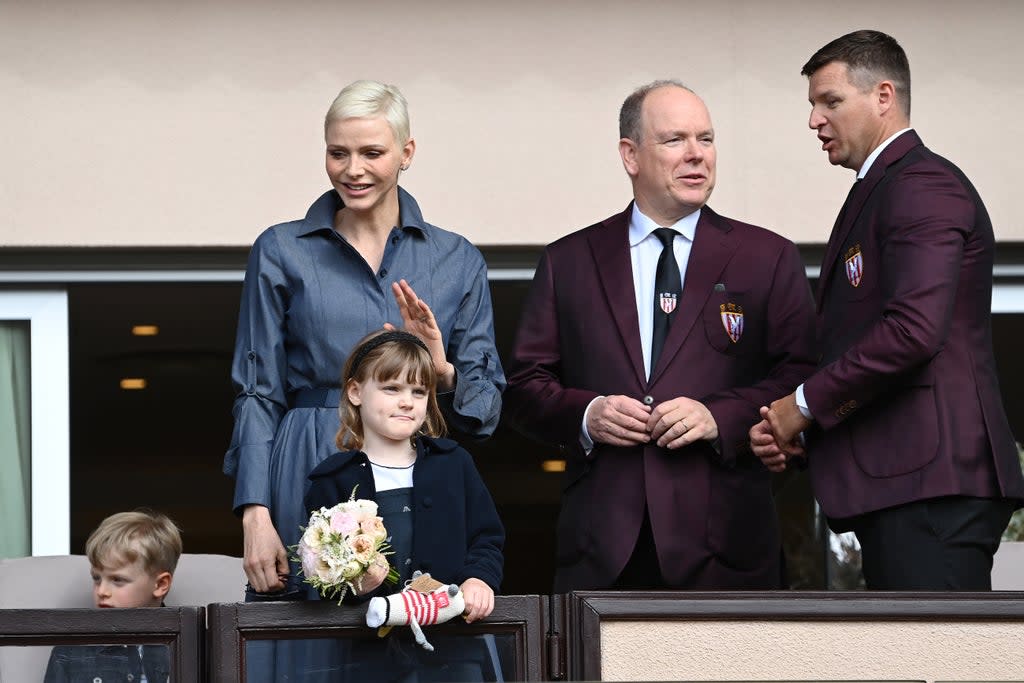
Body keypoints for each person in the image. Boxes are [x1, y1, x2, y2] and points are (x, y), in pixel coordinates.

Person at [504, 80, 817, 592]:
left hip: (726, 548)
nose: (697, 155)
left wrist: (720, 416)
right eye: (675, 140)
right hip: (603, 550)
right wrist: (588, 414)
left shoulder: (769, 257)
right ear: (630, 155)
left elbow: (802, 376)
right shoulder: (569, 261)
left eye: (707, 139)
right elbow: (523, 386)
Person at [750, 30, 1024, 590]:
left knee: (937, 672)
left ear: (882, 96)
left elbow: (913, 333)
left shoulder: (921, 183)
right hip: (912, 488)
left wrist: (802, 406)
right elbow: (864, 344)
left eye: (830, 101)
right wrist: (803, 429)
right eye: (812, 106)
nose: (814, 121)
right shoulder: (883, 187)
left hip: (932, 491)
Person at [223, 80, 505, 599]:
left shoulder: (457, 259)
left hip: (413, 469)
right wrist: (254, 514)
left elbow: (484, 411)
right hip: (304, 456)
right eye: (338, 153)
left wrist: (440, 371)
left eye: (372, 152)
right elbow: (257, 391)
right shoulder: (281, 250)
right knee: (302, 633)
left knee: (413, 624)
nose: (353, 170)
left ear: (406, 153)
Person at [303, 330, 504, 681]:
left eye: (419, 391)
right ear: (355, 392)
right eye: (391, 388)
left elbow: (486, 537)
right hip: (368, 658)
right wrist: (355, 585)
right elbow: (318, 571)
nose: (407, 401)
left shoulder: (454, 463)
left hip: (454, 651)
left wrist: (478, 579)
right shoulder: (330, 480)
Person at [44, 510, 182, 683]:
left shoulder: (186, 648)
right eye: (96, 578)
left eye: (117, 580)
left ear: (160, 584)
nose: (102, 591)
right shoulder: (71, 651)